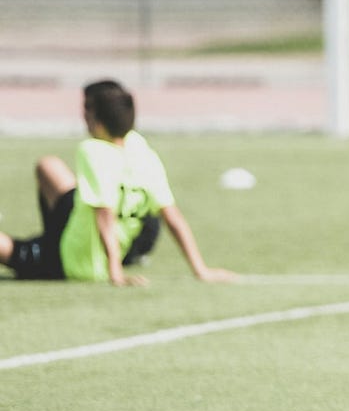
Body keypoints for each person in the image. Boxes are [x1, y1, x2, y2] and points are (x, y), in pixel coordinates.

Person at [0, 80, 234, 286]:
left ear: (98, 122)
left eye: (86, 110)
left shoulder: (92, 150)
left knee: (11, 249)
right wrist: (200, 269)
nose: (83, 116)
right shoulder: (139, 147)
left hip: (74, 259)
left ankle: (50, 244)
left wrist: (115, 273)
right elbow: (172, 216)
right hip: (118, 233)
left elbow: (104, 213)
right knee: (47, 165)